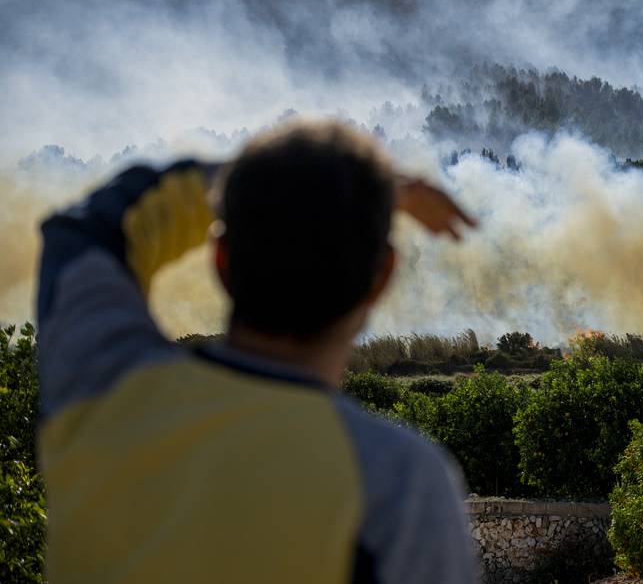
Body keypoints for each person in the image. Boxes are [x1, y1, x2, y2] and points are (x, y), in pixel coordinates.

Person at [34, 120, 479, 583]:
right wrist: (343, 197)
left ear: (219, 260)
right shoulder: (398, 482)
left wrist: (270, 192)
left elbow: (88, 230)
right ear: (382, 277)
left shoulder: (105, 392)